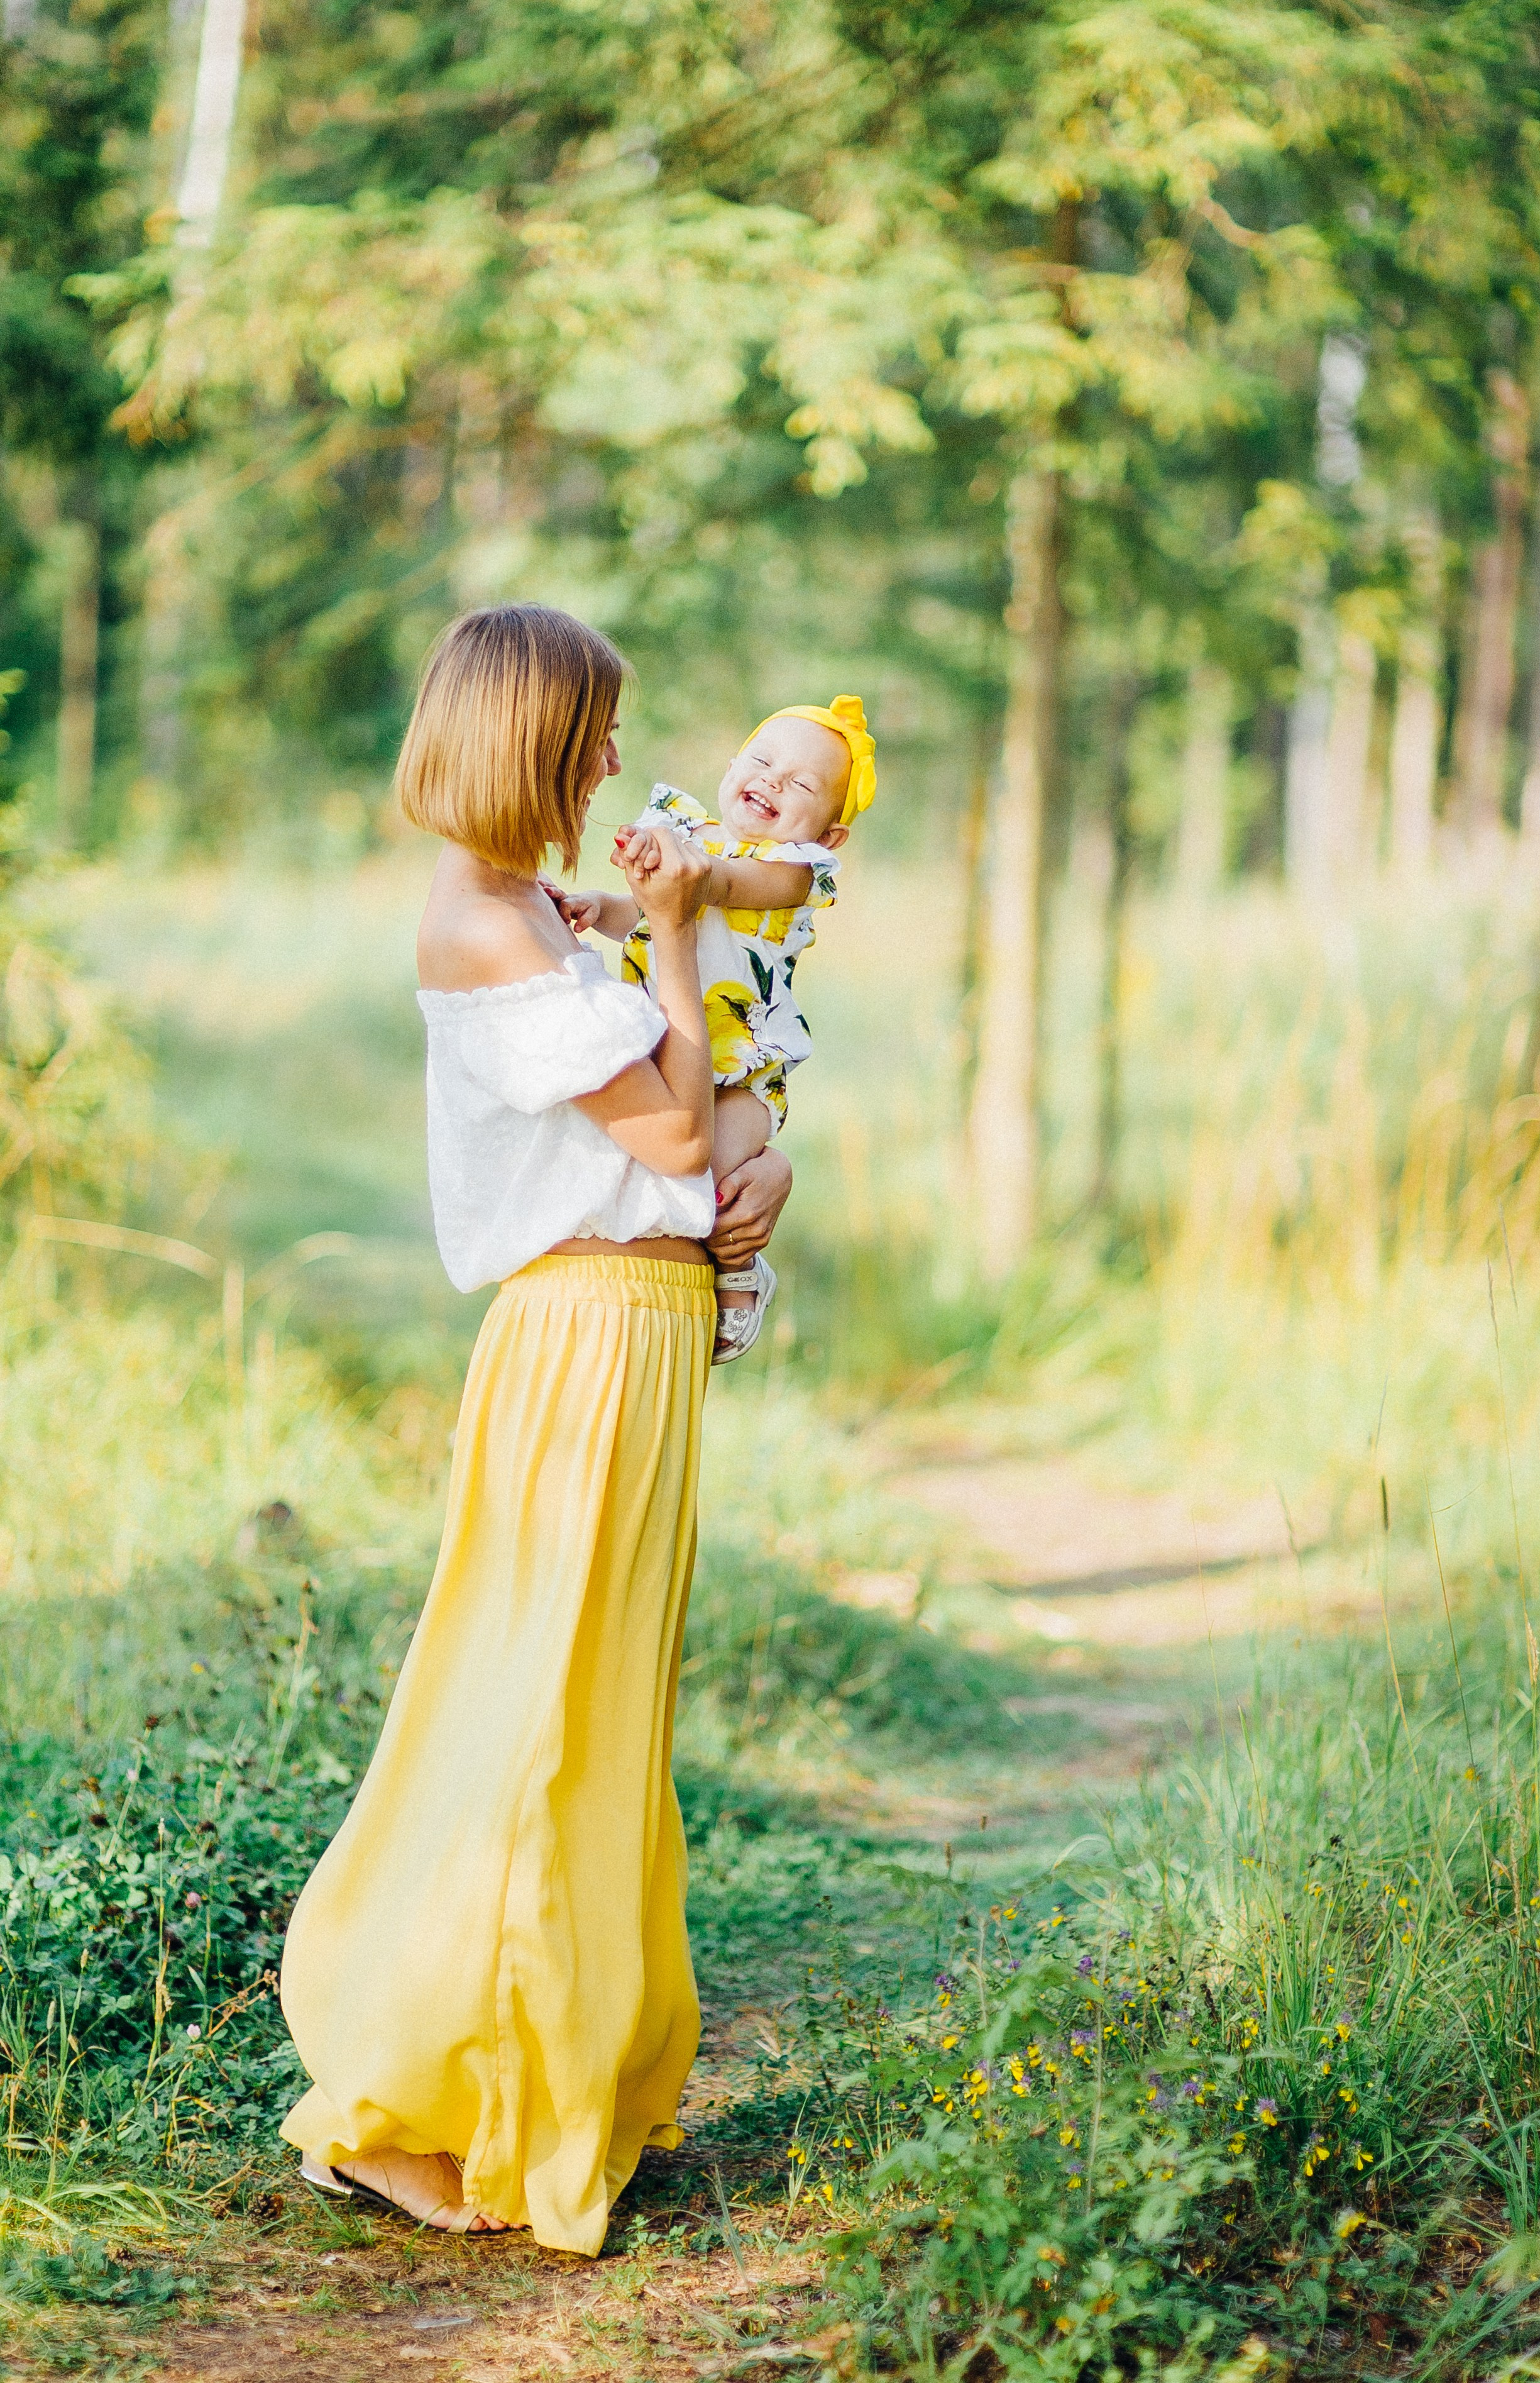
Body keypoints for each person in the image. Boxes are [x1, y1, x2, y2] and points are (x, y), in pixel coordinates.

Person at [279, 604, 793, 2245]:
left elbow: (716, 1131)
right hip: (580, 1335)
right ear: (531, 737)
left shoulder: (528, 913)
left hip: (638, 1328)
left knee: (595, 1714)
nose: (612, 761)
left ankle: (548, 2064)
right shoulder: (488, 930)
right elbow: (661, 1128)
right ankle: (416, 2076)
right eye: (593, 733)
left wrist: (752, 1154)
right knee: (529, 1710)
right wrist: (677, 926)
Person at [546, 696, 875, 1362]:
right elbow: (641, 915)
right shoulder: (687, 834)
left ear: (829, 833)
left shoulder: (794, 870)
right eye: (761, 760)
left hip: (744, 1074)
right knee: (658, 1165)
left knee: (709, 1182)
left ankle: (739, 1270)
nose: (773, 781)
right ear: (732, 766)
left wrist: (681, 875)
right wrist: (599, 904)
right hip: (667, 1049)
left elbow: (724, 886)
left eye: (802, 785)